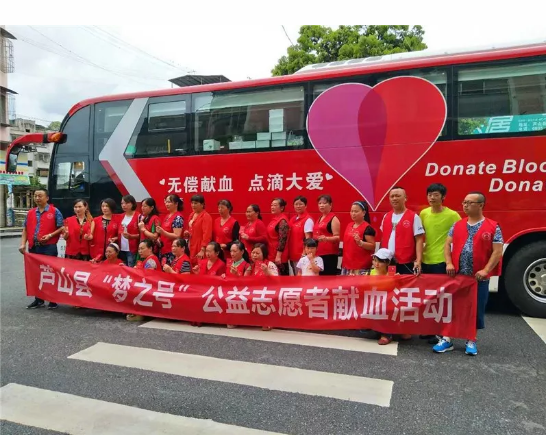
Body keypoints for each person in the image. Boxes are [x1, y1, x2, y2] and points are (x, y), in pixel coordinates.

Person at [433, 192, 503, 356]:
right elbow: (447, 245)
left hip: (478, 278)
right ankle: (446, 339)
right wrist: (449, 263)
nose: (465, 205)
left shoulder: (493, 227)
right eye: (464, 202)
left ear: (481, 205)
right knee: (452, 308)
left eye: (470, 203)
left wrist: (486, 270)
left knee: (475, 309)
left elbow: (497, 251)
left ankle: (471, 340)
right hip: (457, 276)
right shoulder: (457, 225)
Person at [419, 183, 461, 342]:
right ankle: (429, 330)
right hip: (426, 260)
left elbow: (459, 236)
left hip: (442, 261)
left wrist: (452, 261)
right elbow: (420, 236)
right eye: (429, 195)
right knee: (427, 297)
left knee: (441, 298)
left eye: (436, 195)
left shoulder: (452, 215)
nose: (432, 197)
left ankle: (442, 332)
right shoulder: (424, 213)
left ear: (443, 197)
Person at [19, 189, 64, 309]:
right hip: (34, 247)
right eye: (35, 196)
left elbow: (61, 227)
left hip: (49, 247)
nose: (37, 198)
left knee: (50, 273)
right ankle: (39, 300)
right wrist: (23, 244)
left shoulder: (54, 211)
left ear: (47, 198)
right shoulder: (30, 212)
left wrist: (50, 235)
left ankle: (53, 300)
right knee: (36, 273)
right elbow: (25, 229)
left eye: (40, 196)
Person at [366, 248, 408, 345]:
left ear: (388, 263)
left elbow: (401, 291)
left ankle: (388, 334)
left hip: (388, 305)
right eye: (374, 260)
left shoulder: (392, 275)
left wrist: (399, 280)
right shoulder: (370, 273)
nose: (376, 264)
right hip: (374, 303)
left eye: (380, 262)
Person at [380, 187, 425, 275]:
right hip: (387, 262)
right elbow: (383, 238)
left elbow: (419, 240)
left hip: (406, 262)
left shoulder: (414, 217)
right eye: (392, 196)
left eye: (398, 196)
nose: (394, 198)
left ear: (405, 198)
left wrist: (418, 261)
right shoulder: (386, 216)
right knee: (389, 283)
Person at [127, 240, 161, 322]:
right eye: (139, 249)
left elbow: (149, 277)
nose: (140, 251)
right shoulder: (148, 259)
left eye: (142, 248)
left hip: (152, 286)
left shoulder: (151, 260)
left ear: (150, 249)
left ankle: (139, 313)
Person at [341, 201, 376, 275]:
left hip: (361, 267)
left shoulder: (367, 228)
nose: (353, 213)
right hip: (346, 266)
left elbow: (372, 246)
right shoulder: (349, 225)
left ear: (364, 213)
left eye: (356, 211)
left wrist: (361, 243)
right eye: (352, 211)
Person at [249, 243, 278, 331]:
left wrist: (267, 272)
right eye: (253, 253)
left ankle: (268, 321)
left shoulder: (270, 264)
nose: (254, 255)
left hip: (268, 290)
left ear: (264, 254)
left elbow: (277, 280)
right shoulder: (251, 266)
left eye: (257, 253)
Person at [224, 240, 252, 329]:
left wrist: (237, 275)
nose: (232, 254)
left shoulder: (247, 266)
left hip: (239, 290)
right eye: (231, 251)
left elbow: (246, 283)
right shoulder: (228, 262)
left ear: (242, 252)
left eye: (235, 251)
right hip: (227, 289)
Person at [313, 194, 341, 276]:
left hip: (329, 254)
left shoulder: (333, 218)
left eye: (324, 203)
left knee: (328, 278)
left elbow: (337, 237)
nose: (321, 205)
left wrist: (326, 238)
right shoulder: (320, 218)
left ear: (330, 205)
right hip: (318, 254)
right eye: (319, 203)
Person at [288, 196, 314, 275]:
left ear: (306, 206)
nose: (298, 206)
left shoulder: (308, 220)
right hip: (292, 255)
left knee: (302, 277)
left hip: (301, 256)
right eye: (296, 204)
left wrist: (304, 254)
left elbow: (308, 239)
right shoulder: (292, 219)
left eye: (300, 204)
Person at [89, 198, 119, 262]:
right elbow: (90, 234)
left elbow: (120, 234)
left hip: (111, 251)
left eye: (107, 206)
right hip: (97, 251)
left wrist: (116, 238)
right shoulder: (95, 220)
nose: (104, 208)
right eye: (102, 206)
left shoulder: (118, 219)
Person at [186, 194, 213, 266]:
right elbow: (190, 229)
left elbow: (207, 234)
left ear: (202, 204)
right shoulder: (191, 215)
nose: (193, 205)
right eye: (192, 203)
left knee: (200, 266)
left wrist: (203, 249)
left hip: (200, 245)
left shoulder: (206, 216)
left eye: (195, 203)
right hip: (191, 244)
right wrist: (187, 233)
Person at [157, 194, 184, 264]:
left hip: (172, 251)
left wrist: (163, 232)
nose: (167, 204)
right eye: (166, 202)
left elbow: (177, 235)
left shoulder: (178, 218)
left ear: (176, 204)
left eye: (169, 202)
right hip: (163, 249)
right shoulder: (167, 216)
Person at [267, 198, 290, 276]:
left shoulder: (282, 221)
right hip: (271, 254)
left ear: (282, 208)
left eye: (275, 205)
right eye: (271, 205)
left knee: (281, 279)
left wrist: (278, 256)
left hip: (279, 257)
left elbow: (282, 239)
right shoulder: (274, 220)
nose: (272, 207)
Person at [118, 195, 140, 267]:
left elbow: (142, 234)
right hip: (121, 248)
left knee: (131, 268)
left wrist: (131, 236)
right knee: (122, 268)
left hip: (132, 248)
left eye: (126, 203)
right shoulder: (121, 216)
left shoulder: (138, 216)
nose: (124, 205)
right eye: (122, 203)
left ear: (132, 203)